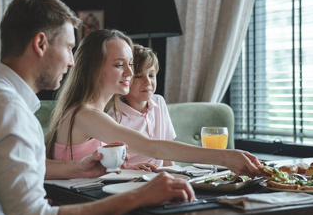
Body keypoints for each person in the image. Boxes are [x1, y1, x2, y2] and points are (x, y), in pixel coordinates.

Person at [0, 0, 195, 215]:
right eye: (67, 47)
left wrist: (75, 168)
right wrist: (137, 197)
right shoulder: (10, 112)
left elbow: (10, 167)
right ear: (40, 43)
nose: (73, 61)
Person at [45, 29, 262, 177]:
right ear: (94, 69)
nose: (130, 73)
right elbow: (152, 146)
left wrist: (127, 169)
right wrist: (225, 157)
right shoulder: (86, 115)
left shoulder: (92, 113)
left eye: (130, 64)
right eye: (120, 65)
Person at [108, 44, 176, 170]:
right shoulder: (114, 118)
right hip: (130, 178)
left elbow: (167, 153)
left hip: (159, 176)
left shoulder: (159, 102)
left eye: (151, 75)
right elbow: (111, 166)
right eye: (138, 76)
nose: (148, 82)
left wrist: (176, 176)